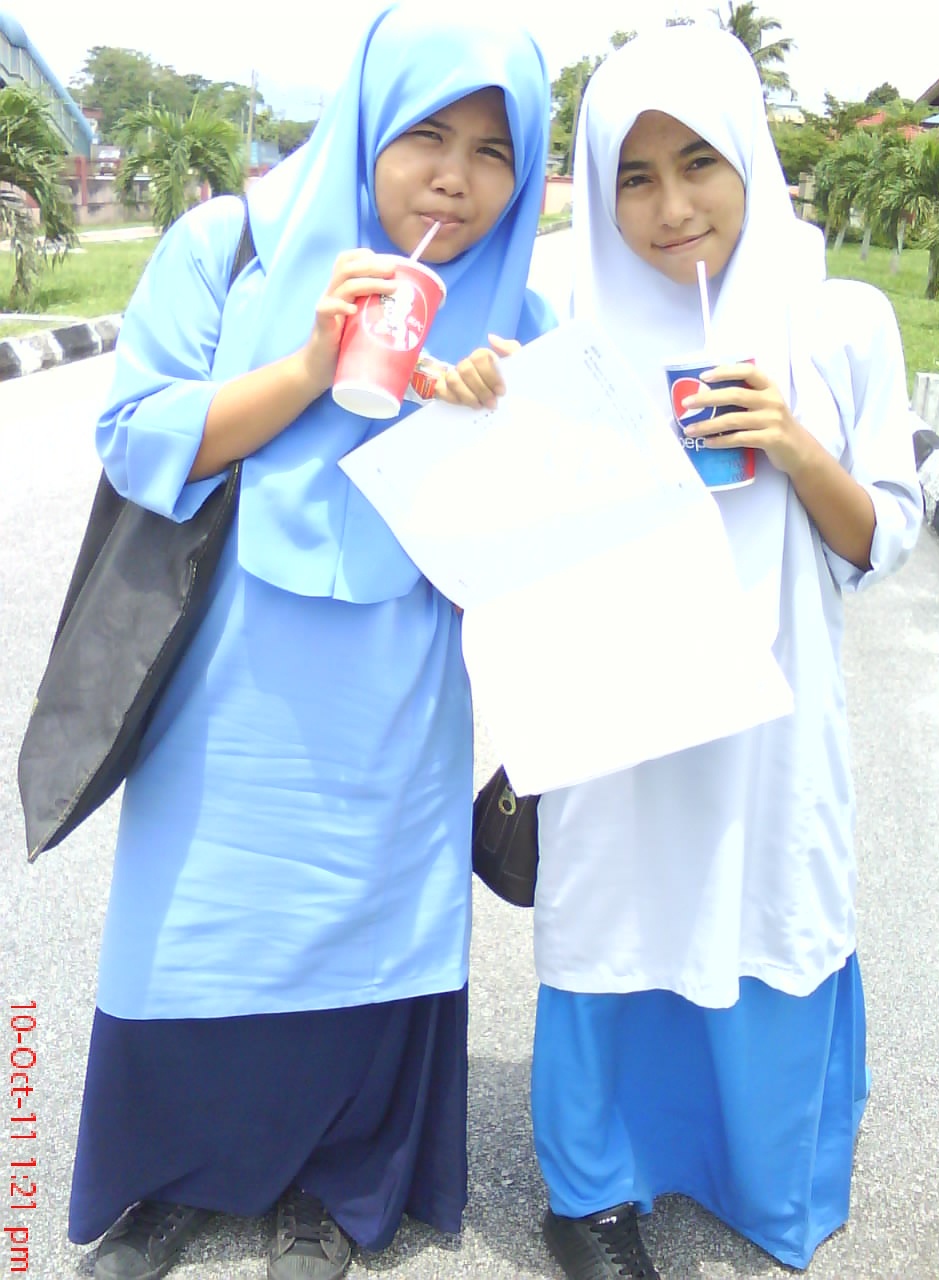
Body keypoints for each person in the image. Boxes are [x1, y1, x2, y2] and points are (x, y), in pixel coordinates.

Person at [66, 7, 552, 1280]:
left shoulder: (520, 314)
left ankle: (339, 1183)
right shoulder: (226, 248)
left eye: (494, 152)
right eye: (426, 134)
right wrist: (308, 363)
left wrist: (501, 425)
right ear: (366, 124)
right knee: (199, 917)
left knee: (367, 920)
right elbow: (134, 433)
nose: (455, 177)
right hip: (222, 672)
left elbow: (539, 548)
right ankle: (169, 1175)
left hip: (400, 685)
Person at [522, 26, 922, 1280]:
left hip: (774, 712)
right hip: (619, 711)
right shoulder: (568, 322)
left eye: (700, 163)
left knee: (768, 897)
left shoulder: (838, 321)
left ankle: (765, 1171)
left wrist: (795, 444)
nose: (671, 207)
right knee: (611, 907)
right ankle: (589, 1191)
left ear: (751, 155)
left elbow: (883, 535)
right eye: (634, 177)